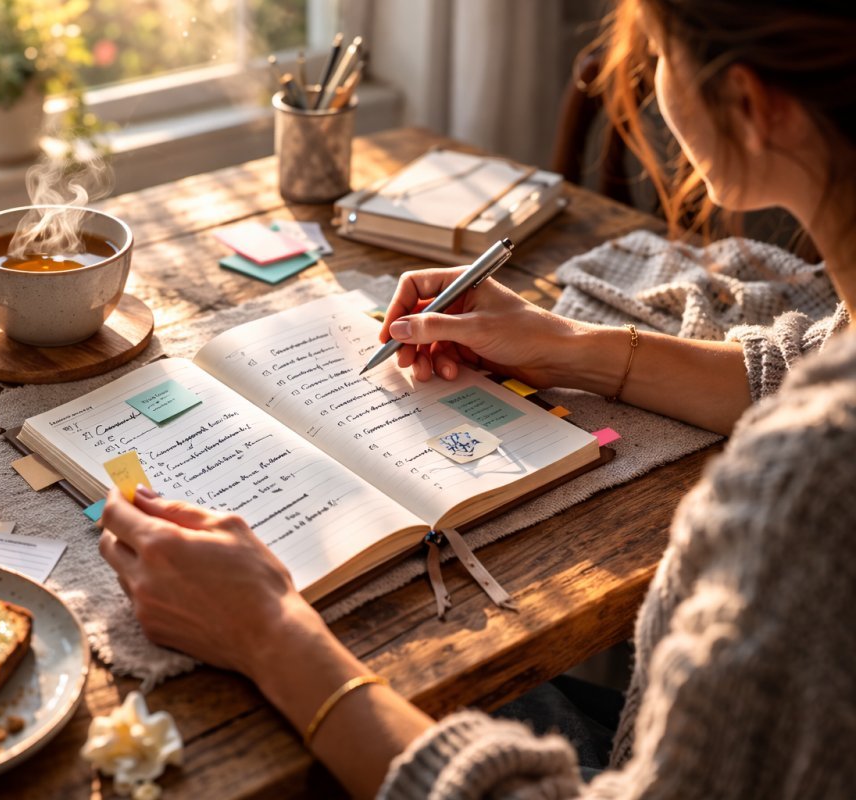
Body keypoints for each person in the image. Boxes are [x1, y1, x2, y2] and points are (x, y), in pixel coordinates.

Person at [99, 0, 856, 796]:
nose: (651, 86)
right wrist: (567, 347)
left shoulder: (807, 487)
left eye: (655, 57)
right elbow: (816, 356)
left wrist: (267, 632)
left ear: (750, 104)